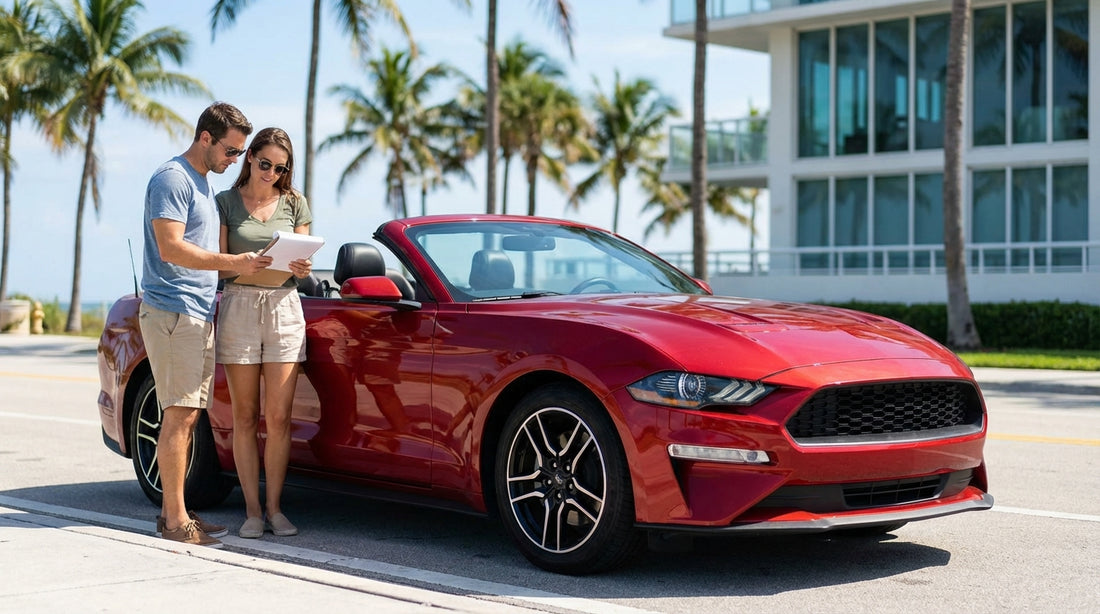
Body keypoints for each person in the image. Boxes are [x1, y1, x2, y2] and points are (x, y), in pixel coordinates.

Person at [141, 102, 271, 548]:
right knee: (178, 415)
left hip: (196, 312)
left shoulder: (201, 183)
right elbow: (171, 248)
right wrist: (234, 262)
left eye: (239, 153)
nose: (234, 160)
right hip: (173, 310)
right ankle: (176, 522)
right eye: (231, 151)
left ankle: (175, 512)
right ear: (205, 138)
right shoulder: (172, 179)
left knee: (188, 415)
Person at [215, 127, 313, 539]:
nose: (271, 173)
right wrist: (243, 263)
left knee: (279, 417)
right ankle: (252, 511)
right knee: (244, 416)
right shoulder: (224, 202)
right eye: (266, 163)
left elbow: (302, 260)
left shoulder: (295, 203)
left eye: (281, 168)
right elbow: (218, 264)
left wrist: (302, 268)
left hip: (284, 308)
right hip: (238, 305)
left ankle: (275, 509)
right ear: (250, 157)